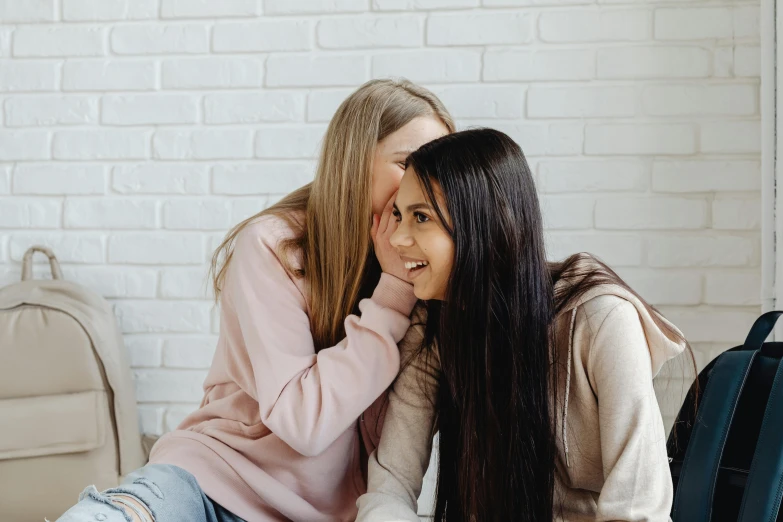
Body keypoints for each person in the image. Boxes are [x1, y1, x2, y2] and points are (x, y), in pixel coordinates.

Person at [56, 79, 454, 522]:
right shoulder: (275, 245)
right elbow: (305, 423)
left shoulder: (427, 278)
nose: (428, 185)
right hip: (211, 481)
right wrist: (392, 298)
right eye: (408, 163)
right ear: (356, 163)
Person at [355, 128, 692, 522]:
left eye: (421, 217)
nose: (396, 238)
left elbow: (638, 512)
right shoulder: (436, 326)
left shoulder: (600, 319)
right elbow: (390, 484)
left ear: (486, 222)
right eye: (399, 215)